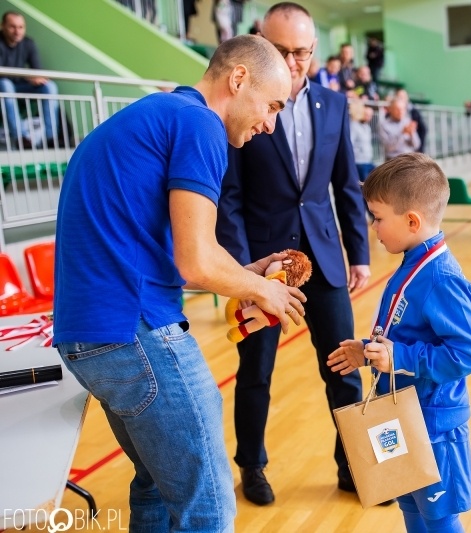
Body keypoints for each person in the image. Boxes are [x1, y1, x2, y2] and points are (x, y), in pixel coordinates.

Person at [53, 36, 305, 532]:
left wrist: (245, 275)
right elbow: (196, 263)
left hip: (89, 338)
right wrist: (264, 291)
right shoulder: (199, 124)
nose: (271, 124)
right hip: (135, 332)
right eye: (272, 105)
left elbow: (165, 256)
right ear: (238, 79)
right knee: (208, 508)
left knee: (158, 489)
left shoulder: (159, 113)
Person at [215, 2, 371, 506]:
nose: (292, 60)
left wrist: (359, 253)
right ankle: (253, 466)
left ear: (313, 50)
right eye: (280, 50)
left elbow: (346, 185)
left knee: (343, 368)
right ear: (260, 44)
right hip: (263, 264)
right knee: (256, 373)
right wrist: (243, 271)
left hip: (324, 259)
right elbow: (230, 195)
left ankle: (353, 466)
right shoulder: (244, 105)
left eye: (300, 51)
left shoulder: (335, 104)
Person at [328, 152, 471, 533]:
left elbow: (469, 352)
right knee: (411, 510)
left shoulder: (441, 278)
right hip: (401, 414)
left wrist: (397, 355)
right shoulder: (412, 263)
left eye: (378, 218)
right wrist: (368, 351)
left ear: (412, 220)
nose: (373, 227)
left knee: (440, 518)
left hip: (433, 424)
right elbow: (405, 334)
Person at [0, 11, 60, 149]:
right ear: (2, 26)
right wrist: (28, 76)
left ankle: (51, 138)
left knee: (49, 87)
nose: (17, 31)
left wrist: (37, 77)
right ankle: (21, 138)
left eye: (21, 27)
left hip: (20, 85)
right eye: (12, 27)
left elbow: (38, 71)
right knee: (6, 84)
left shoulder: (28, 43)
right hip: (4, 86)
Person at [380, 96, 420, 160]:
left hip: (409, 160)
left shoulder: (407, 121)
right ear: (390, 109)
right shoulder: (384, 125)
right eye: (397, 109)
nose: (400, 112)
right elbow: (389, 148)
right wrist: (402, 133)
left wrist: (411, 134)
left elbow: (416, 145)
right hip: (393, 161)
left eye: (402, 109)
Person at [349, 100, 375, 183]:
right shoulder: (354, 125)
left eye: (370, 115)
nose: (369, 117)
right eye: (367, 115)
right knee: (364, 187)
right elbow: (350, 143)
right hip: (359, 162)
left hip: (368, 161)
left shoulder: (367, 127)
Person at [395, 89, 426, 153]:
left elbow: (423, 129)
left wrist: (420, 149)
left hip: (412, 146)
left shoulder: (413, 111)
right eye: (399, 97)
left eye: (403, 97)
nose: (401, 99)